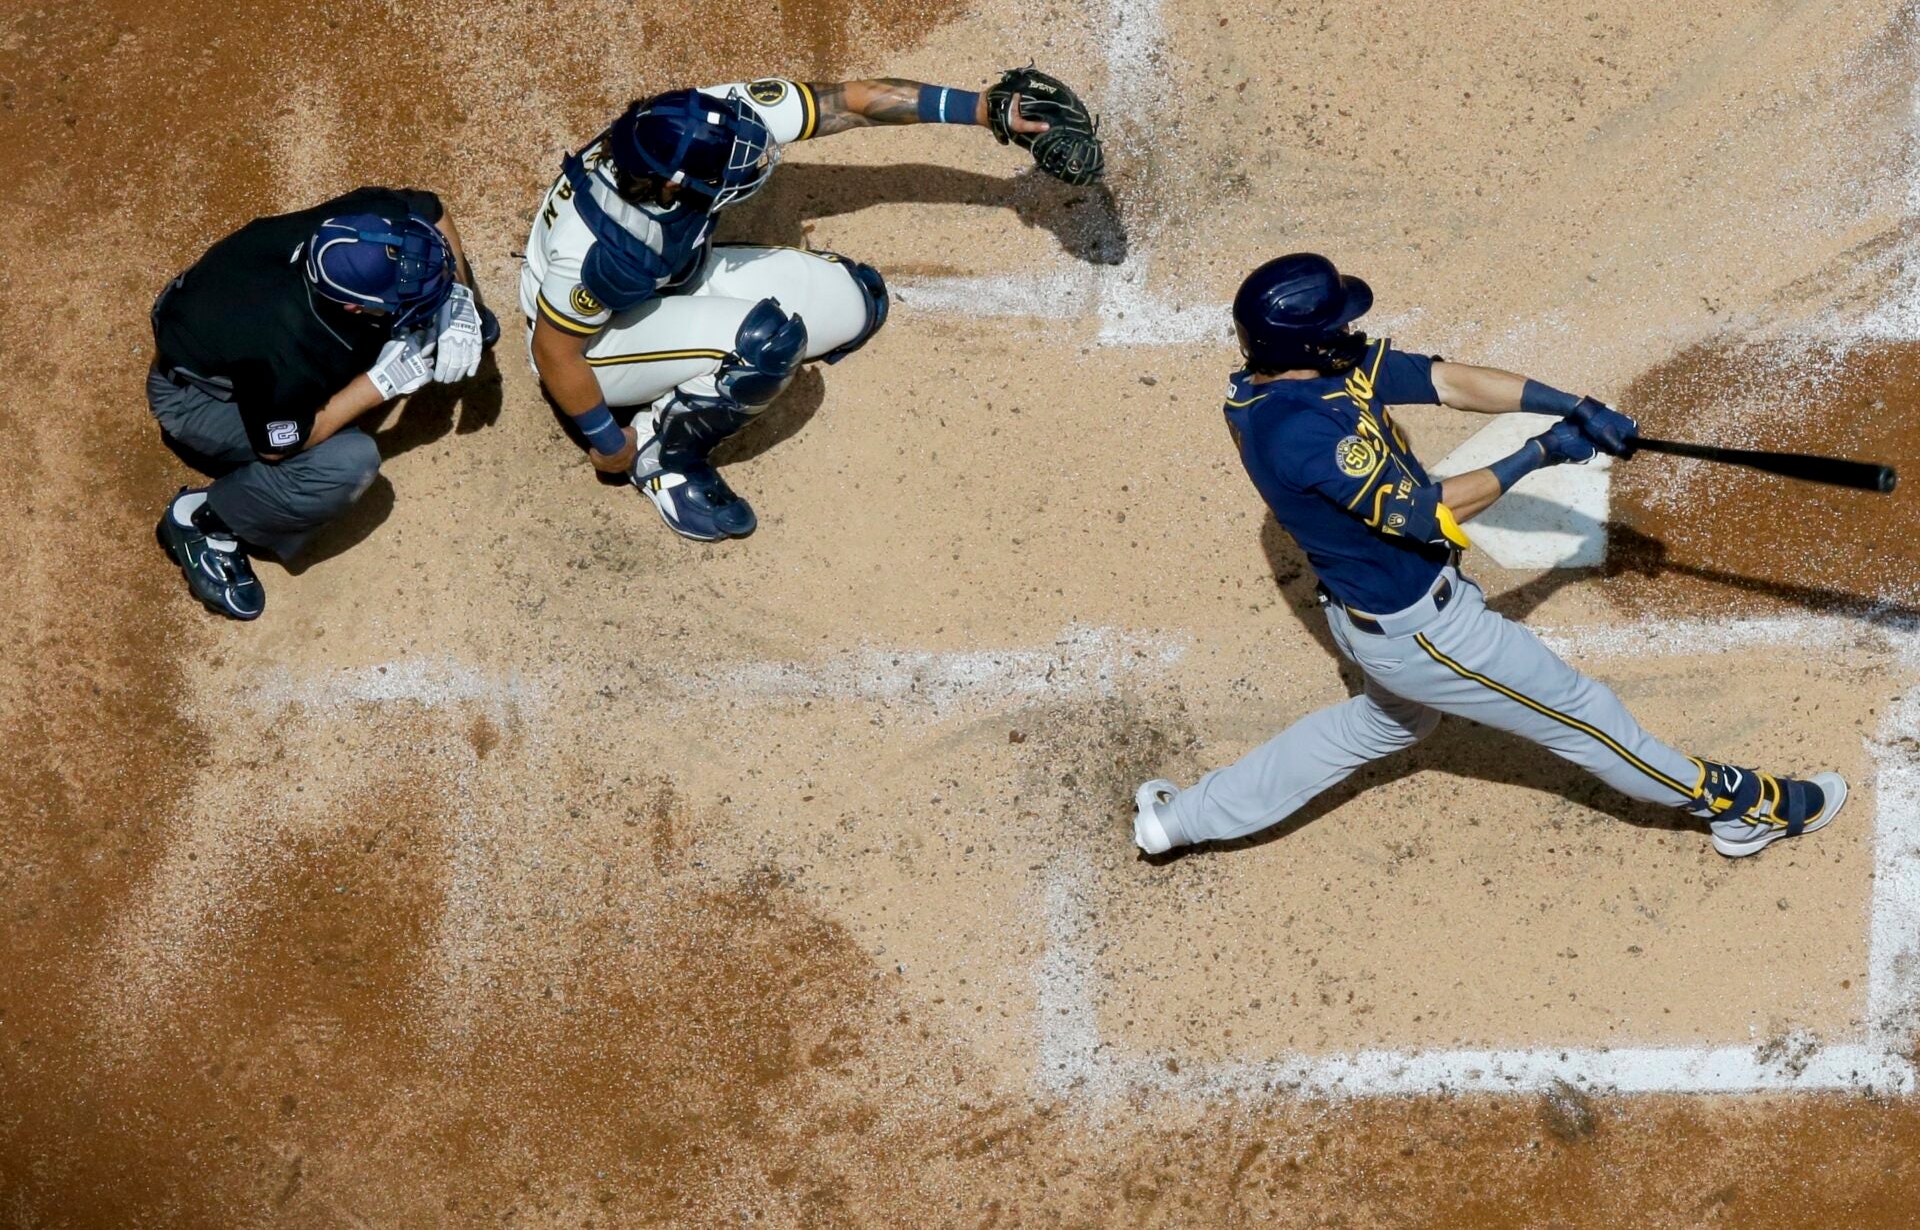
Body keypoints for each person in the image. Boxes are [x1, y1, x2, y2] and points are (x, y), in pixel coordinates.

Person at [1132, 252, 1849, 859]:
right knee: (1585, 714)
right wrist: (1542, 453)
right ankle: (1738, 806)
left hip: (1375, 616)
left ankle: (1180, 819)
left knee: (1385, 723)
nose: (1352, 329)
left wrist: (1571, 405)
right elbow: (1428, 512)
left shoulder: (1288, 376)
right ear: (1309, 346)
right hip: (1428, 633)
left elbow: (1445, 380)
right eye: (1337, 325)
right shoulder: (1298, 433)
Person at [520, 67, 1100, 542]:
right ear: (671, 185)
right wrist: (607, 443)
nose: (751, 163)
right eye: (730, 170)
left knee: (856, 302)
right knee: (767, 348)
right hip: (595, 345)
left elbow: (851, 102)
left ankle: (695, 350)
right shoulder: (606, 249)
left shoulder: (701, 121)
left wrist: (985, 110)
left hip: (664, 282)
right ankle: (662, 456)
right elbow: (555, 353)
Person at [150, 189, 496, 620]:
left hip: (231, 319)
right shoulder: (283, 347)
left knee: (414, 326)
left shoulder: (360, 231)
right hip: (201, 400)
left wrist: (461, 299)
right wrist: (378, 385)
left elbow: (430, 209)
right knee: (345, 462)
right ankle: (208, 520)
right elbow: (278, 444)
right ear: (352, 305)